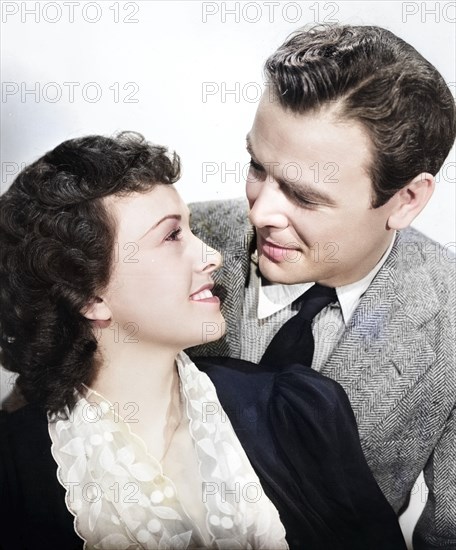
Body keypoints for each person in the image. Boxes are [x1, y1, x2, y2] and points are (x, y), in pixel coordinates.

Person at [0, 132, 406, 549]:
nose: (212, 255)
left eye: (191, 230)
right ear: (89, 295)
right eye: (172, 236)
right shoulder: (14, 470)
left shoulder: (298, 412)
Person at [186, 24, 456, 549]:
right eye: (257, 167)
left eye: (304, 197)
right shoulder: (168, 242)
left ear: (406, 199)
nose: (261, 212)